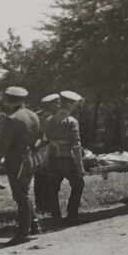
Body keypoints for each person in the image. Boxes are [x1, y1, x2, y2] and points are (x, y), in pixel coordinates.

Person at [0, 86, 42, 245]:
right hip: (31, 157)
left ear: (8, 100)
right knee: (24, 192)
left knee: (20, 195)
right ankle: (34, 224)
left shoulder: (12, 119)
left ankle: (23, 233)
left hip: (17, 161)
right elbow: (38, 139)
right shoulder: (33, 116)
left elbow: (3, 146)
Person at [45, 90, 86, 224]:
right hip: (67, 159)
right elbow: (76, 145)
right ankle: (72, 215)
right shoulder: (71, 121)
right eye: (74, 104)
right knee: (78, 184)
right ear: (70, 104)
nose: (75, 107)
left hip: (53, 158)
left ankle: (55, 216)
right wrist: (80, 166)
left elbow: (46, 140)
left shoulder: (49, 120)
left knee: (53, 188)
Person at [33, 93, 59, 218]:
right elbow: (45, 137)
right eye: (56, 103)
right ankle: (48, 207)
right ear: (51, 105)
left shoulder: (38, 115)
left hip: (39, 148)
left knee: (40, 177)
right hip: (46, 148)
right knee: (47, 178)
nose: (58, 105)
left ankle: (41, 206)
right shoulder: (49, 118)